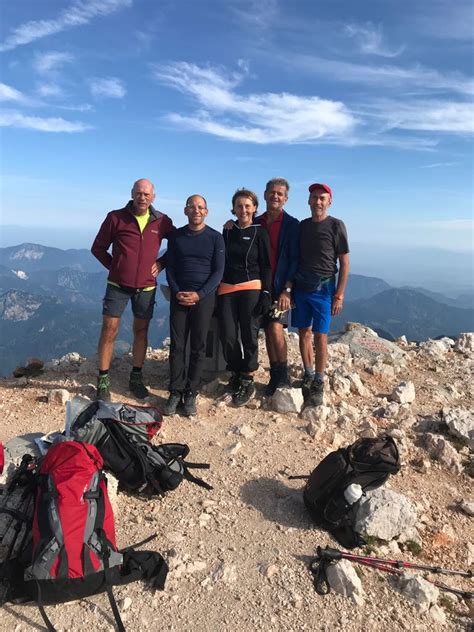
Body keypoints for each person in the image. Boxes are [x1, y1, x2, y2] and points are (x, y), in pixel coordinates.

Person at [91, 178, 174, 401]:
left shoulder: (162, 221)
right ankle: (103, 379)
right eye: (139, 193)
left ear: (153, 197)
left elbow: (178, 244)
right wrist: (116, 267)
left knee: (141, 332)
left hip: (146, 287)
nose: (142, 197)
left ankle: (136, 377)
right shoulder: (115, 218)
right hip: (117, 285)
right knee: (109, 330)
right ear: (132, 194)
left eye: (147, 194)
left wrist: (163, 262)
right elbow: (98, 248)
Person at [163, 195, 225, 417]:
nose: (196, 211)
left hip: (204, 298)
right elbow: (170, 267)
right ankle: (175, 391)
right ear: (185, 210)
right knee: (177, 346)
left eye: (200, 207)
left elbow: (218, 271)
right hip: (180, 295)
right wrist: (177, 290)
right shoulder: (176, 237)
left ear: (206, 212)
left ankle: (191, 393)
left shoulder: (215, 238)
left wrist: (199, 295)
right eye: (192, 207)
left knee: (198, 346)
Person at [292, 183, 349, 407]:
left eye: (322, 198)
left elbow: (344, 262)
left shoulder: (336, 225)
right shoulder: (302, 226)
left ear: (329, 202)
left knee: (321, 335)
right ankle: (307, 373)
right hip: (301, 286)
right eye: (314, 197)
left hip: (325, 288)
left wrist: (339, 295)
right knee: (304, 332)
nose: (317, 202)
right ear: (308, 201)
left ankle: (319, 379)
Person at [218, 188, 272, 407]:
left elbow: (267, 265)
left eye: (247, 206)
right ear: (234, 209)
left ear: (255, 208)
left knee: (249, 333)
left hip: (251, 286)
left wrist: (266, 293)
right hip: (226, 288)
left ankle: (248, 377)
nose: (243, 210)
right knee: (228, 334)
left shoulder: (261, 232)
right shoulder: (228, 231)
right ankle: (236, 372)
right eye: (239, 206)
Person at [256, 178, 299, 395]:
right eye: (272, 192)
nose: (275, 196)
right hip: (258, 286)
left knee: (275, 327)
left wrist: (288, 289)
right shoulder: (257, 222)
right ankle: (274, 376)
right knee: (267, 327)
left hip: (281, 286)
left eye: (280, 194)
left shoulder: (292, 225)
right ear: (265, 195)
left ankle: (283, 377)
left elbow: (295, 259)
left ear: (286, 199)